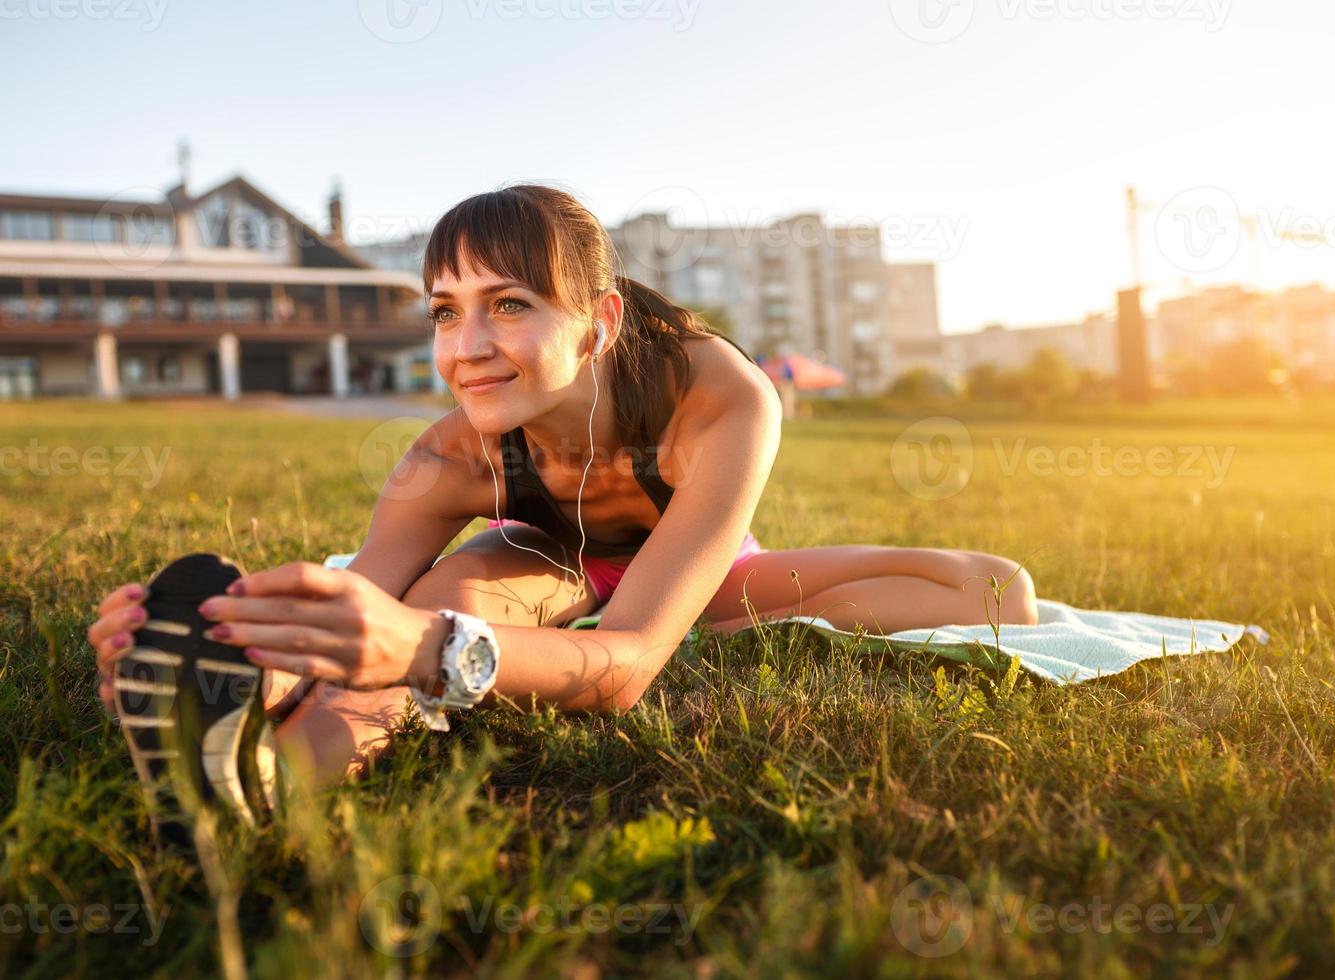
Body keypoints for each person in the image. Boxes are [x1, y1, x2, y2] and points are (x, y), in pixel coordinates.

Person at [87, 184, 1038, 815]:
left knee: (997, 589)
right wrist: (231, 641)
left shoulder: (720, 397)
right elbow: (366, 603)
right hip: (537, 558)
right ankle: (252, 774)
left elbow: (622, 673)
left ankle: (726, 629)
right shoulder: (449, 459)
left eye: (509, 305)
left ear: (598, 323)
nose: (467, 347)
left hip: (694, 571)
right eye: (445, 311)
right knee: (442, 605)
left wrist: (433, 649)